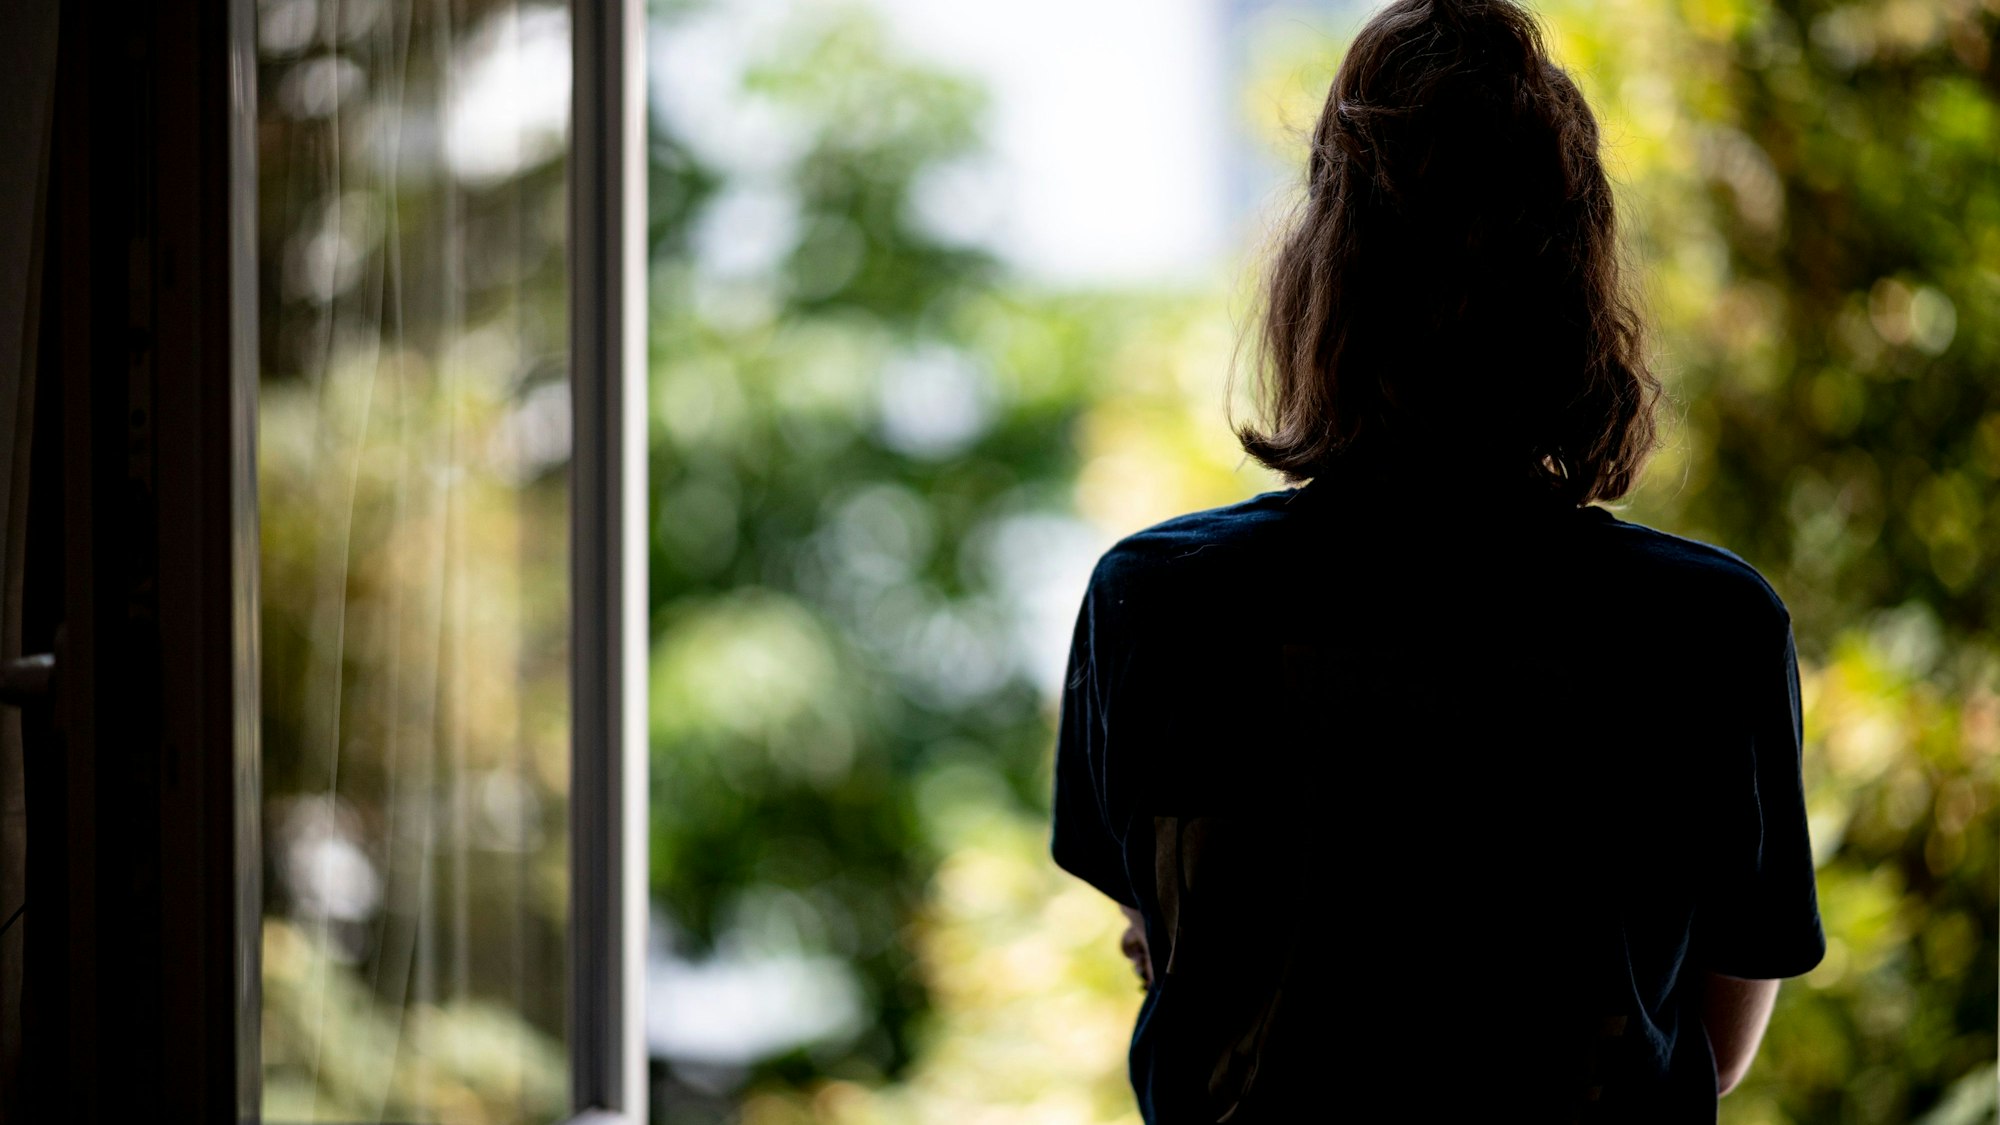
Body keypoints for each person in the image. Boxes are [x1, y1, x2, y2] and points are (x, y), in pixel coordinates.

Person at [1048, 1, 1826, 1120]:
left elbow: (1180, 954)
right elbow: (1703, 1040)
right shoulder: (1708, 628)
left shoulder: (1156, 603)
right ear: (1578, 285)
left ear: (1317, 282)